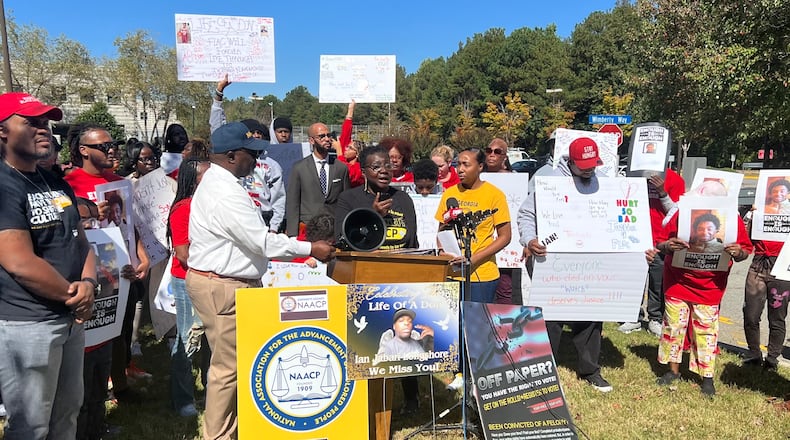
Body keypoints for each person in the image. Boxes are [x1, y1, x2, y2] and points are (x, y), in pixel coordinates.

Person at [186, 122, 333, 440]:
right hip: (223, 284)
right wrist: (311, 247)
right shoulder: (225, 192)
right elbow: (261, 243)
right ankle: (219, 435)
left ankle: (234, 427)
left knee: (233, 364)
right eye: (250, 154)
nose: (257, 160)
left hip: (224, 281)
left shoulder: (221, 180)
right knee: (227, 370)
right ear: (230, 155)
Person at [0, 92, 96, 439]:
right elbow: (18, 261)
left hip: (70, 319)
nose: (44, 129)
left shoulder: (55, 181)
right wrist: (77, 296)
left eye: (46, 122)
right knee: (30, 426)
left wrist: (89, 283)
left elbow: (81, 242)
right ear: (2, 132)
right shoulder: (4, 184)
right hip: (28, 325)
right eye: (31, 122)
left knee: (66, 413)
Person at [517, 137, 613, 392]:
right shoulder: (549, 183)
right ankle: (544, 369)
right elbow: (526, 214)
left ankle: (590, 369)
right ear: (570, 162)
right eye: (583, 165)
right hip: (555, 263)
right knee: (550, 319)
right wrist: (530, 239)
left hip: (591, 263)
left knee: (591, 317)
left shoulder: (606, 183)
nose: (589, 169)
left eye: (593, 164)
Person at [655, 211, 752, 396]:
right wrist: (668, 245)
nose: (705, 231)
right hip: (677, 281)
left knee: (706, 330)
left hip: (710, 286)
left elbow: (744, 251)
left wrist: (738, 252)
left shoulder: (732, 217)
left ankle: (707, 378)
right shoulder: (682, 211)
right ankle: (672, 371)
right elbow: (660, 242)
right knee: (673, 327)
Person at [436, 147, 511, 303]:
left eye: (466, 165)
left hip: (482, 276)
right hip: (452, 274)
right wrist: (443, 252)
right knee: (452, 325)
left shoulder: (494, 195)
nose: (460, 170)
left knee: (476, 325)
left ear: (480, 167)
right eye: (458, 164)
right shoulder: (449, 194)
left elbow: (505, 236)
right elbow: (442, 230)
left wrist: (474, 259)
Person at [211, 74, 286, 231]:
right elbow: (218, 130)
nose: (257, 136)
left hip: (264, 218)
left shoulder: (272, 165)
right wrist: (219, 93)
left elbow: (278, 198)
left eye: (260, 133)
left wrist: (273, 228)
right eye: (252, 133)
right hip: (238, 215)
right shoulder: (232, 161)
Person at [167, 158, 211, 418]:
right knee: (187, 339)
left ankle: (209, 389)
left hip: (208, 278)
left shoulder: (207, 204)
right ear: (194, 180)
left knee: (209, 339)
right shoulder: (184, 208)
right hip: (187, 279)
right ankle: (182, 398)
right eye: (207, 175)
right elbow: (183, 253)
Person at [619, 170, 686, 336]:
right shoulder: (634, 176)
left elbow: (677, 212)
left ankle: (655, 318)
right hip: (636, 237)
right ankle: (634, 316)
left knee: (658, 282)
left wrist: (662, 192)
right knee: (634, 280)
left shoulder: (675, 179)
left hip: (661, 239)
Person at [335, 146, 418, 250]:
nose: (384, 170)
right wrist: (373, 215)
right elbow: (341, 239)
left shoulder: (403, 198)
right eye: (376, 167)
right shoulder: (348, 198)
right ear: (363, 172)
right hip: (364, 263)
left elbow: (412, 242)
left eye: (388, 166)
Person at [742, 210, 790, 371]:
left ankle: (772, 358)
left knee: (777, 316)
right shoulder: (761, 209)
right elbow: (745, 239)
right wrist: (752, 215)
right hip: (759, 264)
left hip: (782, 265)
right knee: (750, 314)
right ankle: (754, 353)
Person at [286, 122, 350, 237]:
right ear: (311, 140)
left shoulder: (341, 167)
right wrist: (292, 234)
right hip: (308, 228)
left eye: (328, 135)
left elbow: (346, 200)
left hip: (334, 228)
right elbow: (293, 203)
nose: (327, 139)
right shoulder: (299, 168)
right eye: (321, 136)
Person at [334, 100, 364, 187]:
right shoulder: (345, 159)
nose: (346, 149)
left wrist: (339, 152)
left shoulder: (359, 168)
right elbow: (345, 135)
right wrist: (350, 110)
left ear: (357, 154)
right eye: (347, 147)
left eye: (350, 148)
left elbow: (347, 173)